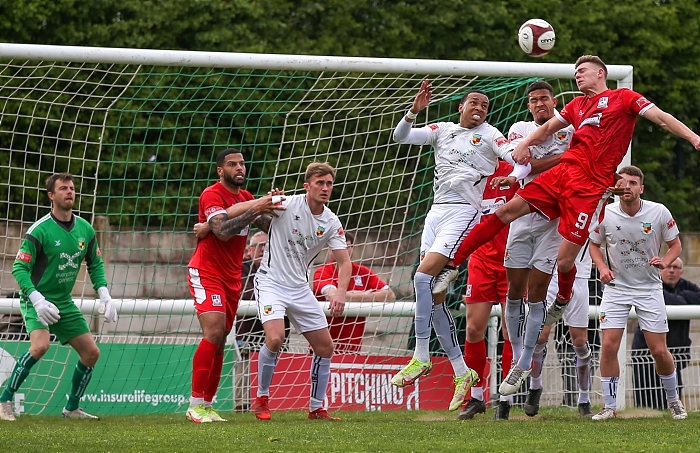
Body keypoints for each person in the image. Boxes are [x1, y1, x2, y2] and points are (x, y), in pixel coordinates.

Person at [437, 55, 700, 393]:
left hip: (588, 190)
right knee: (505, 213)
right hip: (561, 175)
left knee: (564, 261)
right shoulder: (576, 106)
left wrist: (693, 137)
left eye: (583, 71)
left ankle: (561, 299)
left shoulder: (625, 99)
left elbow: (662, 118)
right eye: (575, 72)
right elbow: (548, 128)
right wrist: (525, 146)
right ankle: (453, 264)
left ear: (601, 74)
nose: (577, 75)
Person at [390, 79, 522, 412]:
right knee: (433, 297)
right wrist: (413, 112)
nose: (479, 108)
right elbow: (401, 137)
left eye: (485, 105)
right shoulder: (442, 129)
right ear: (461, 106)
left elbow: (512, 155)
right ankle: (463, 372)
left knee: (421, 278)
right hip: (435, 214)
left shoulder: (491, 135)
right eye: (474, 102)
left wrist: (519, 166)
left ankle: (421, 356)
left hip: (463, 213)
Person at [0, 172, 118, 421]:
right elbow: (19, 268)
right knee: (41, 345)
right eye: (63, 188)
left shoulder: (85, 229)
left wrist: (105, 294)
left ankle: (72, 408)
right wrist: (36, 299)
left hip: (63, 302)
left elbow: (95, 263)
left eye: (72, 188)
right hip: (37, 299)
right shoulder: (39, 230)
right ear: (51, 195)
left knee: (91, 353)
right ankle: (4, 401)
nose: (70, 192)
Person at [186, 148, 281, 423]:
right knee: (214, 332)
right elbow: (222, 231)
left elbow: (268, 225)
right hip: (207, 272)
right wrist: (256, 208)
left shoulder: (247, 198)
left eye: (241, 163)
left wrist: (276, 204)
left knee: (220, 341)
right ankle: (194, 405)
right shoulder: (212, 194)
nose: (239, 168)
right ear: (220, 170)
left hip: (232, 278)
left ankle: (207, 404)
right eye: (232, 164)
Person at [252, 162, 351, 421]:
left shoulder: (331, 221)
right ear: (307, 186)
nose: (325, 188)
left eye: (329, 184)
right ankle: (262, 398)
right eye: (320, 183)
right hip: (271, 282)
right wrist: (267, 200)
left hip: (299, 288)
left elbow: (344, 261)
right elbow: (254, 209)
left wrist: (341, 292)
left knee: (325, 347)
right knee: (275, 338)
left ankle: (317, 408)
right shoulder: (286, 203)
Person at [589, 166, 687, 420]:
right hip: (616, 289)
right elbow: (595, 245)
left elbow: (676, 244)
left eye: (633, 183)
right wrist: (601, 268)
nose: (628, 187)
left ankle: (674, 401)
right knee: (609, 346)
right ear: (616, 187)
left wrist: (665, 261)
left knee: (658, 350)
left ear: (641, 188)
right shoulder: (605, 213)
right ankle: (609, 407)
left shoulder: (658, 212)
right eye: (623, 183)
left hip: (649, 288)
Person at [457, 161, 518, 420]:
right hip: (480, 259)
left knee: (510, 331)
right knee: (473, 328)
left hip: (513, 259)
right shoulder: (467, 172)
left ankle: (505, 399)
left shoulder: (514, 170)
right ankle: (476, 397)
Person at [524, 248, 595, 417]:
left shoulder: (593, 221)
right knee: (539, 336)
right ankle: (535, 386)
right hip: (550, 273)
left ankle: (584, 398)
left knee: (579, 341)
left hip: (578, 277)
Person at [632, 257, 700, 409]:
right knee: (645, 398)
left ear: (681, 272)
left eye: (675, 267)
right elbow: (665, 299)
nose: (671, 270)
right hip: (646, 352)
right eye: (668, 266)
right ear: (660, 269)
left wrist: (682, 298)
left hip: (675, 353)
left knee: (673, 395)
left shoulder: (685, 286)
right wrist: (684, 300)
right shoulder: (652, 285)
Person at [313, 232, 396, 354]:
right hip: (323, 347)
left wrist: (357, 295)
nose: (344, 251)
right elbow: (333, 295)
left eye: (348, 247)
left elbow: (389, 295)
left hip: (352, 349)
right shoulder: (323, 272)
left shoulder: (362, 271)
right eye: (340, 247)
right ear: (330, 249)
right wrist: (365, 296)